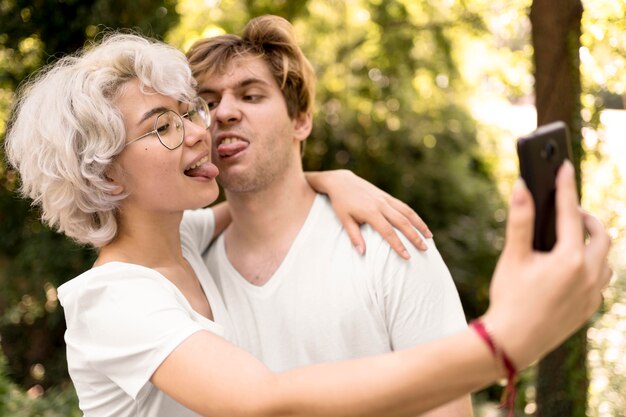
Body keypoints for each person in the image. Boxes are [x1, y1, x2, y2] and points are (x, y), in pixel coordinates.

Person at [4, 32, 611, 417]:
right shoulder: (114, 298)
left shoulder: (182, 238)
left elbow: (265, 200)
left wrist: (329, 180)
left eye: (187, 111)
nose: (202, 129)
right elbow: (264, 403)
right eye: (163, 125)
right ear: (105, 178)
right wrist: (502, 342)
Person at [186, 15, 473, 415]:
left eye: (251, 96)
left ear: (300, 120)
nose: (224, 113)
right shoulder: (189, 269)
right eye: (208, 103)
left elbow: (448, 405)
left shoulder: (387, 241)